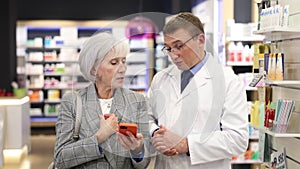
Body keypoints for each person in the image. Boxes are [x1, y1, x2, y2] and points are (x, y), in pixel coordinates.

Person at [148, 12, 249, 169]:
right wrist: (155, 133)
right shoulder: (161, 78)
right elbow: (147, 116)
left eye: (179, 46)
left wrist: (186, 144)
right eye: (168, 48)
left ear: (200, 40)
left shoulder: (228, 81)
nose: (173, 55)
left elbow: (237, 140)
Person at [54, 32, 150, 169]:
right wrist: (99, 137)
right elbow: (60, 159)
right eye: (114, 62)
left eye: (124, 61)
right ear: (94, 69)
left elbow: (144, 163)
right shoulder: (73, 102)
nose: (123, 69)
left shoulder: (137, 101)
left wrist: (137, 150)